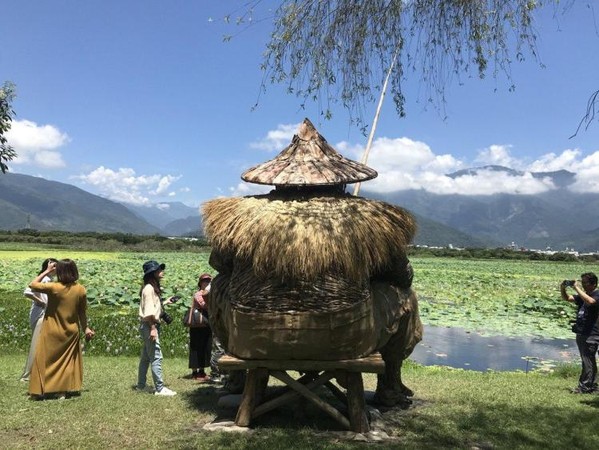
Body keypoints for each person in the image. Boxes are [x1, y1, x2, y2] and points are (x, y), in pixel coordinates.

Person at [28, 259, 95, 399]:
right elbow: (82, 312)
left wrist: (47, 271)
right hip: (71, 331)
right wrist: (86, 328)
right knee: (66, 363)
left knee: (43, 359)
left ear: (59, 271)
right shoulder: (80, 289)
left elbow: (32, 285)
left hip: (50, 329)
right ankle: (61, 391)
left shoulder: (53, 287)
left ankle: (38, 391)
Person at [136, 260, 177, 396]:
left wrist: (166, 302)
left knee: (146, 357)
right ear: (152, 273)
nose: (162, 271)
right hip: (149, 325)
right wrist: (153, 328)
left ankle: (141, 386)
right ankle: (159, 388)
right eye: (159, 269)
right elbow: (148, 313)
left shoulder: (150, 288)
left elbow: (153, 307)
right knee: (156, 357)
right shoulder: (149, 289)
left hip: (147, 325)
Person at [19, 257, 57, 382]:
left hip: (43, 312)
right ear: (47, 267)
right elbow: (27, 292)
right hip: (39, 312)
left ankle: (37, 371)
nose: (55, 268)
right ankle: (28, 374)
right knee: (37, 342)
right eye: (53, 266)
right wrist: (41, 302)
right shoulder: (45, 278)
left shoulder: (50, 279)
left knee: (41, 343)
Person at [561, 272, 599, 394]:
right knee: (588, 360)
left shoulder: (596, 294)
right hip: (582, 332)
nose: (582, 285)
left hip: (591, 333)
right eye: (581, 283)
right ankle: (592, 386)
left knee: (587, 359)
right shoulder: (584, 295)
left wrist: (576, 287)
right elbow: (567, 298)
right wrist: (563, 288)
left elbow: (591, 302)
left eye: (584, 283)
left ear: (593, 284)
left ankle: (585, 387)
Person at [188, 273, 213, 381]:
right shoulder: (198, 294)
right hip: (197, 324)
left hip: (206, 323)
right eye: (205, 281)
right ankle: (194, 372)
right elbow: (205, 305)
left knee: (206, 347)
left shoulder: (210, 294)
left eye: (208, 281)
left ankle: (202, 371)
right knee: (196, 347)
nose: (207, 283)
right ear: (200, 283)